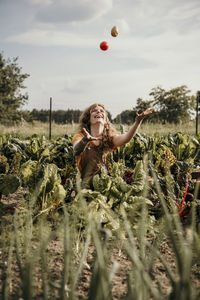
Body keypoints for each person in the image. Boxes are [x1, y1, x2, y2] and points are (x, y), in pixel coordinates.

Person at [73, 103, 154, 189]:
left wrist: (138, 122)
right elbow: (76, 150)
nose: (98, 112)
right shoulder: (80, 136)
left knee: (147, 181)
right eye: (94, 111)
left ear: (105, 120)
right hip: (88, 184)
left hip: (107, 181)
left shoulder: (109, 139)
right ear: (88, 118)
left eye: (101, 111)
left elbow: (126, 138)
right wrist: (85, 140)